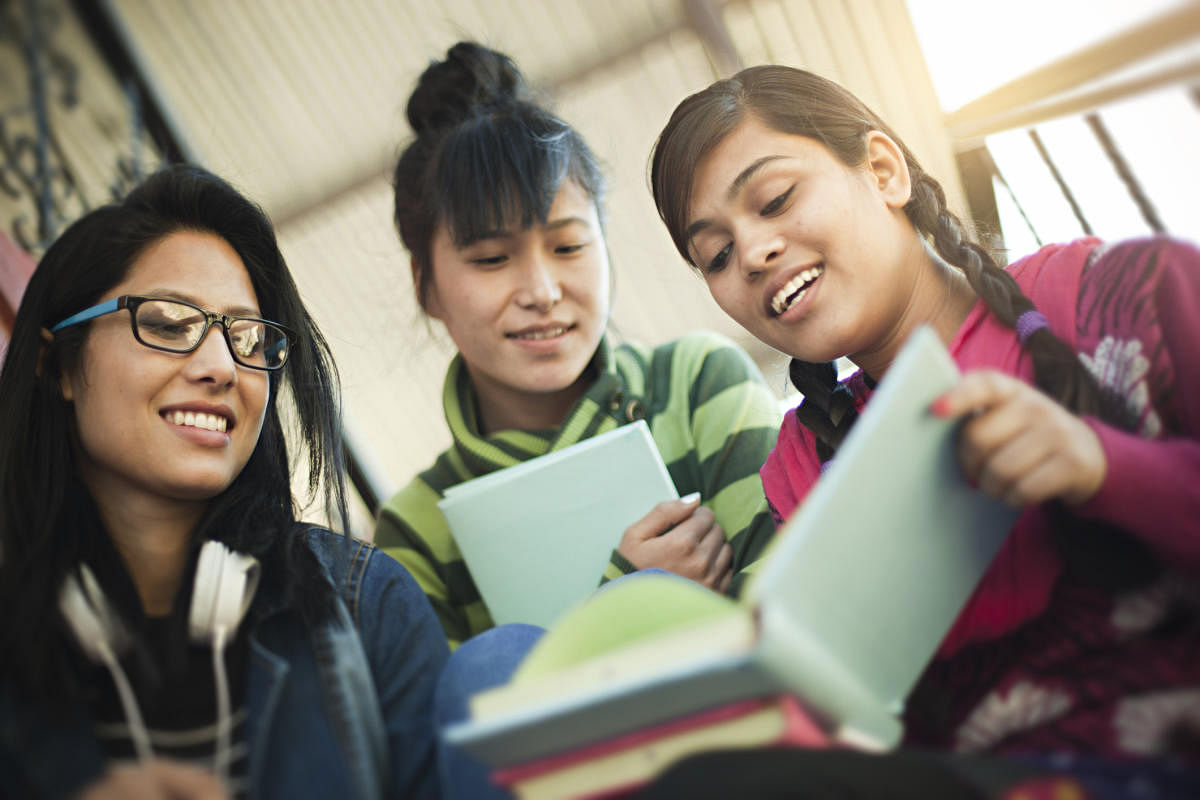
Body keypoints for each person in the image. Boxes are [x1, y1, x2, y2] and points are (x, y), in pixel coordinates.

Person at [645, 64, 1200, 797]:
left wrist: (1102, 465)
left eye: (775, 199)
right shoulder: (801, 467)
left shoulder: (1119, 295)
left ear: (883, 170)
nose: (751, 254)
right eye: (715, 255)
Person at [0, 165, 448, 799]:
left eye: (248, 337)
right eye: (165, 323)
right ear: (61, 365)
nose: (219, 367)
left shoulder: (368, 604)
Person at [374, 42, 782, 651]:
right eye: (490, 259)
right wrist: (630, 602)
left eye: (568, 248)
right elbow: (468, 737)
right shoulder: (414, 532)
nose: (541, 291)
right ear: (425, 286)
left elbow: (784, 605)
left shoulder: (697, 384)